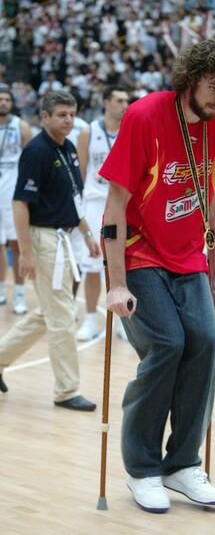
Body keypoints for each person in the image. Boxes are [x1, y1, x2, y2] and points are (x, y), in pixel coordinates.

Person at [99, 40, 215, 513]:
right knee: (167, 345)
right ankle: (142, 469)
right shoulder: (144, 116)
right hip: (141, 256)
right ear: (189, 78)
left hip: (190, 261)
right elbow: (116, 204)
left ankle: (182, 464)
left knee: (205, 342)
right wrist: (115, 282)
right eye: (212, 88)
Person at [0, 91, 100, 411]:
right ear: (45, 118)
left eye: (72, 114)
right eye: (61, 115)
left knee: (48, 313)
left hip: (65, 238)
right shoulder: (36, 151)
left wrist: (86, 233)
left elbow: (72, 198)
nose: (69, 120)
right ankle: (66, 390)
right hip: (44, 240)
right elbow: (20, 202)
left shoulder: (68, 147)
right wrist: (25, 251)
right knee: (62, 317)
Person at [75, 86, 129, 341]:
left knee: (122, 264)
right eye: (119, 100)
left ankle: (122, 322)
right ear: (106, 102)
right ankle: (89, 320)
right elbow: (81, 173)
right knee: (92, 266)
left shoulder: (130, 131)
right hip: (95, 203)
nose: (124, 105)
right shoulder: (89, 131)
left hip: (122, 204)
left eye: (127, 101)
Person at [0, 87, 32, 314]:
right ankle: (1, 290)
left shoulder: (21, 126)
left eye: (7, 99)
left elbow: (29, 161)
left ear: (12, 103)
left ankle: (19, 295)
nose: (3, 102)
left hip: (13, 190)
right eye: (0, 99)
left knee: (17, 244)